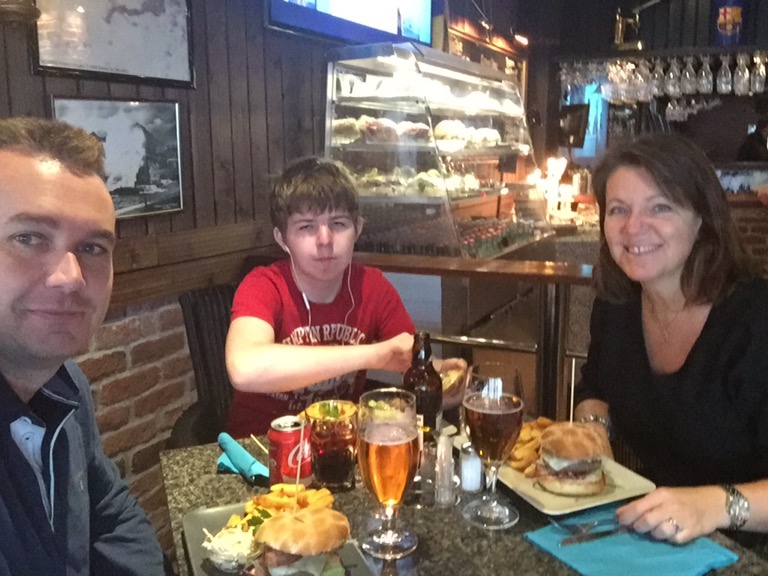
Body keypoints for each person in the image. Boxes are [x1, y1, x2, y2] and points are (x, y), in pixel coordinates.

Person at [574, 133, 768, 546]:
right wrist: (593, 431)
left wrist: (711, 506)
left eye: (660, 207)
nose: (633, 227)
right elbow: (595, 387)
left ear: (702, 219)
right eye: (618, 209)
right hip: (652, 532)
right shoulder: (617, 304)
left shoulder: (755, 321)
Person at [0, 117, 164, 575]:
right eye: (28, 238)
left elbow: (108, 512)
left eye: (92, 248)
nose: (70, 277)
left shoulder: (65, 382)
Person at [225, 157, 465, 437]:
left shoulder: (372, 287)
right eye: (306, 227)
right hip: (261, 448)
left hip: (339, 445)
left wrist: (441, 379)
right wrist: (374, 355)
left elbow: (407, 360)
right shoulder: (264, 285)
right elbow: (244, 368)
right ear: (282, 239)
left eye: (338, 224)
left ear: (357, 229)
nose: (325, 240)